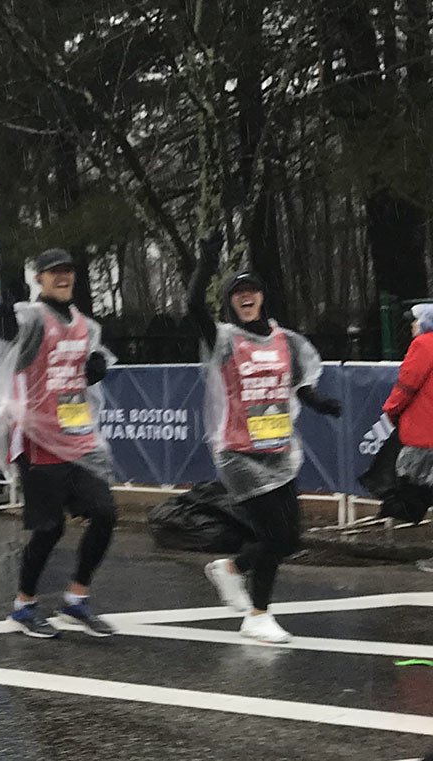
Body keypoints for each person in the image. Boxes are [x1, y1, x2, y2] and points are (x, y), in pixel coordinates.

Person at [188, 230, 342, 644]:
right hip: (239, 453)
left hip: (279, 449)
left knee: (289, 539)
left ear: (261, 297)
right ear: (230, 301)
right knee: (276, 537)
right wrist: (205, 263)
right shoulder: (223, 339)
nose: (246, 296)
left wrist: (320, 401)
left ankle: (233, 569)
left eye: (252, 290)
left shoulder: (283, 341)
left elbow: (299, 385)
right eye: (238, 292)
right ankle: (257, 615)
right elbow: (191, 306)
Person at [0, 249, 119, 640]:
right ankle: (23, 605)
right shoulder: (34, 318)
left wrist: (94, 369)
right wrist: (4, 322)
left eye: (68, 271)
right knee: (49, 531)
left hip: (78, 437)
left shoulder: (84, 324)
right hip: (38, 441)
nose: (63, 277)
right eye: (54, 273)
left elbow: (81, 369)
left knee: (104, 513)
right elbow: (8, 346)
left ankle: (75, 600)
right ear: (39, 278)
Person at [382, 303, 433, 573]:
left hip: (425, 435)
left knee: (416, 488)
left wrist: (390, 411)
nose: (412, 325)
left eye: (414, 320)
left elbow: (406, 385)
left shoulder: (423, 345)